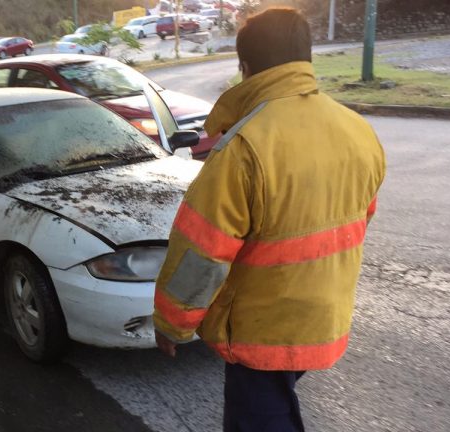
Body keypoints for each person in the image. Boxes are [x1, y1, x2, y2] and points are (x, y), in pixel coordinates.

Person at [153, 7, 386, 431]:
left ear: (245, 67)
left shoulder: (244, 149)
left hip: (262, 330)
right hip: (325, 315)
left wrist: (172, 324)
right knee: (279, 400)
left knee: (259, 418)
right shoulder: (358, 131)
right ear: (305, 58)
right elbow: (360, 218)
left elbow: (202, 252)